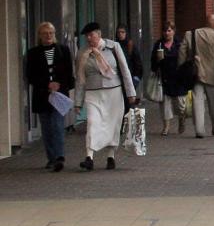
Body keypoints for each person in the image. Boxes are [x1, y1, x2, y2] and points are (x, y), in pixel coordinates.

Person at [74, 22, 137, 171]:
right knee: (92, 123)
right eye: (87, 36)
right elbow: (80, 78)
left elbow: (125, 70)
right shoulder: (83, 53)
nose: (89, 38)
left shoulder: (113, 47)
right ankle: (89, 157)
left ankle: (110, 156)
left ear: (99, 34)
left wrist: (131, 93)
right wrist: (78, 101)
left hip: (113, 92)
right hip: (92, 93)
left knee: (112, 124)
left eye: (92, 35)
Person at [25, 22, 74, 172]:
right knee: (46, 128)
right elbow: (30, 75)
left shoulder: (64, 51)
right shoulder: (33, 53)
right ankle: (51, 158)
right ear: (40, 36)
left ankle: (59, 157)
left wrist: (59, 84)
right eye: (45, 33)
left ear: (55, 34)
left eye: (51, 33)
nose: (48, 36)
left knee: (57, 125)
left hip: (59, 95)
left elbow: (69, 73)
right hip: (42, 95)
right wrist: (47, 85)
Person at [179, 14, 214, 139]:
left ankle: (199, 129)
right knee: (213, 102)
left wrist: (182, 68)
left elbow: (182, 53)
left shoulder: (190, 34)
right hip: (212, 75)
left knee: (197, 100)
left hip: (195, 74)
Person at [151, 21, 187, 137]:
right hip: (165, 78)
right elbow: (152, 63)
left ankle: (182, 118)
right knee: (165, 104)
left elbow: (185, 60)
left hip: (178, 77)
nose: (167, 33)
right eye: (165, 31)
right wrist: (157, 60)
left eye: (169, 30)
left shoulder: (179, 43)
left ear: (173, 31)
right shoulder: (159, 45)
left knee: (181, 105)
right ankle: (166, 126)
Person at [114, 24, 144, 91]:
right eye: (118, 32)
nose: (120, 34)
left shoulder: (130, 45)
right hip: (118, 79)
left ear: (126, 33)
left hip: (130, 77)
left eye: (123, 32)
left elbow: (138, 62)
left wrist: (136, 78)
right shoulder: (115, 45)